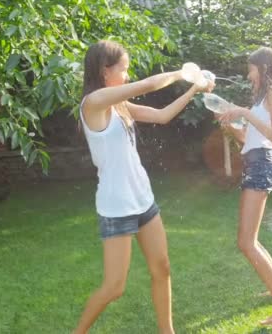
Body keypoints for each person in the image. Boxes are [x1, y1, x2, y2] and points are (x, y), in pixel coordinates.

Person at [74, 40, 214, 334]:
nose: (126, 75)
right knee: (114, 288)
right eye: (123, 69)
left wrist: (194, 90)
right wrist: (183, 73)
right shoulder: (93, 103)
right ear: (104, 70)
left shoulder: (120, 106)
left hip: (143, 200)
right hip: (116, 207)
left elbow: (162, 116)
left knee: (162, 268)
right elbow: (149, 85)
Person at [217, 47, 272, 326]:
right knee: (251, 240)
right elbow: (247, 140)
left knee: (246, 242)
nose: (248, 74)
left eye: (251, 68)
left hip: (263, 165)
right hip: (255, 162)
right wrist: (230, 126)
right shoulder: (262, 97)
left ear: (263, 68)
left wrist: (245, 114)